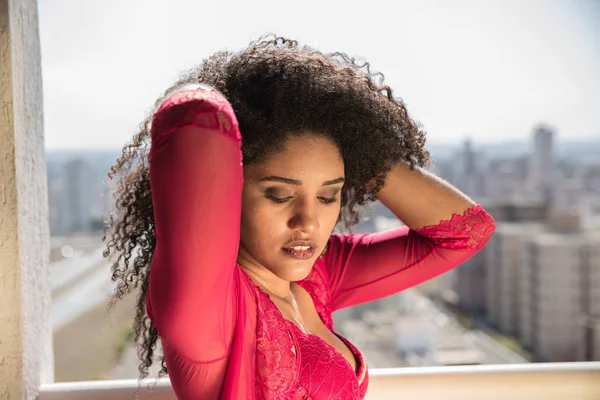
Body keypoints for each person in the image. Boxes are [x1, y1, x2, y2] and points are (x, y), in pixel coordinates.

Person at [103, 35, 496, 399]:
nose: (308, 221)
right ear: (229, 191)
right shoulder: (215, 308)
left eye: (328, 195)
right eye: (279, 195)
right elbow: (193, 120)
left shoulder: (318, 276)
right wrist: (234, 94)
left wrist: (358, 141)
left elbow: (464, 233)